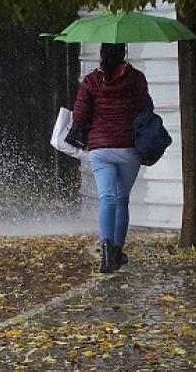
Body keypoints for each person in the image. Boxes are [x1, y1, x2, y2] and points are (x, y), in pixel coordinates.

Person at [72, 42, 152, 273]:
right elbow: (145, 107)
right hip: (129, 148)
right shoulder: (136, 78)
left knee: (106, 198)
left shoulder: (90, 81)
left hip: (100, 149)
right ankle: (117, 251)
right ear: (123, 53)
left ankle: (106, 253)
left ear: (100, 55)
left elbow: (79, 117)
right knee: (121, 199)